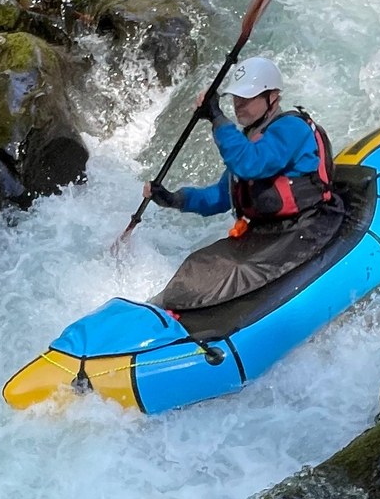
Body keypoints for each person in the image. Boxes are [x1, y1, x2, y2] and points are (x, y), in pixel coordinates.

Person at [142, 57, 344, 311]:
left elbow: (251, 164)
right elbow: (220, 196)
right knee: (198, 264)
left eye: (247, 98)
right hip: (267, 232)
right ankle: (156, 311)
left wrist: (217, 118)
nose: (238, 104)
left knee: (239, 272)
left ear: (272, 97)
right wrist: (175, 199)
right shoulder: (251, 138)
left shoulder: (291, 128)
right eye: (236, 98)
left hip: (308, 226)